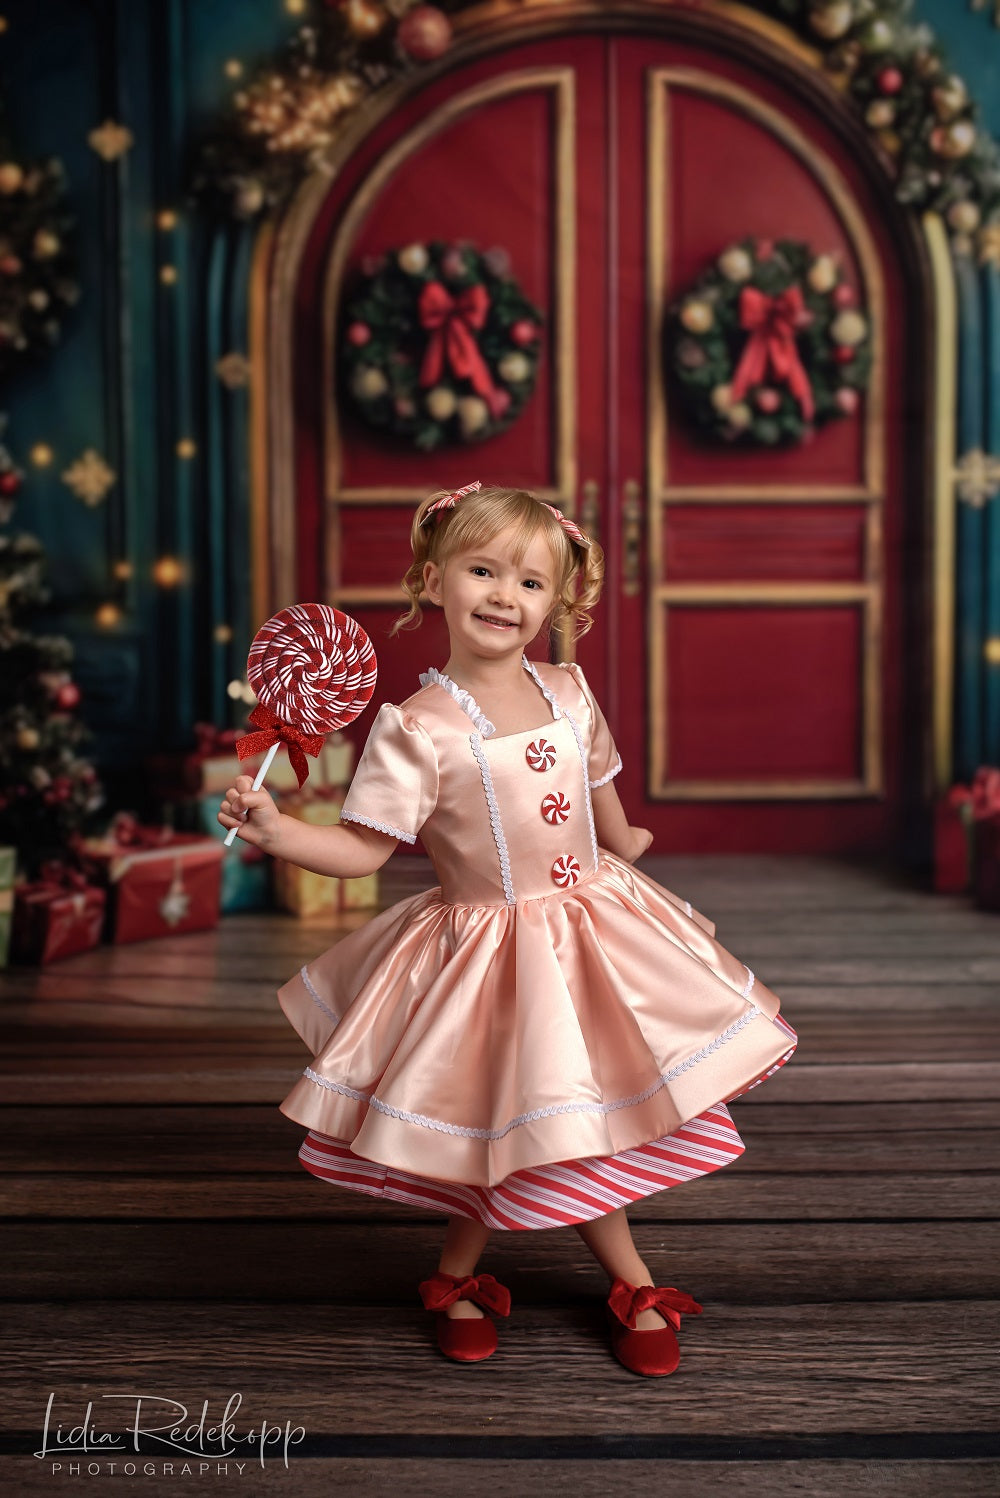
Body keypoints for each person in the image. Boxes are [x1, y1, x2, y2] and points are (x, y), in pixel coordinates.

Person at [219, 481, 798, 1377]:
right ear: (433, 578)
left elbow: (600, 793)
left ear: (558, 601)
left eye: (530, 583)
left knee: (576, 1117)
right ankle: (555, 1280)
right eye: (482, 571)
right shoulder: (418, 727)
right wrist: (279, 832)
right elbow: (365, 850)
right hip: (493, 954)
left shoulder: (568, 691)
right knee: (522, 1121)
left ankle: (493, 1277)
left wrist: (626, 839)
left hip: (593, 935)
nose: (504, 596)